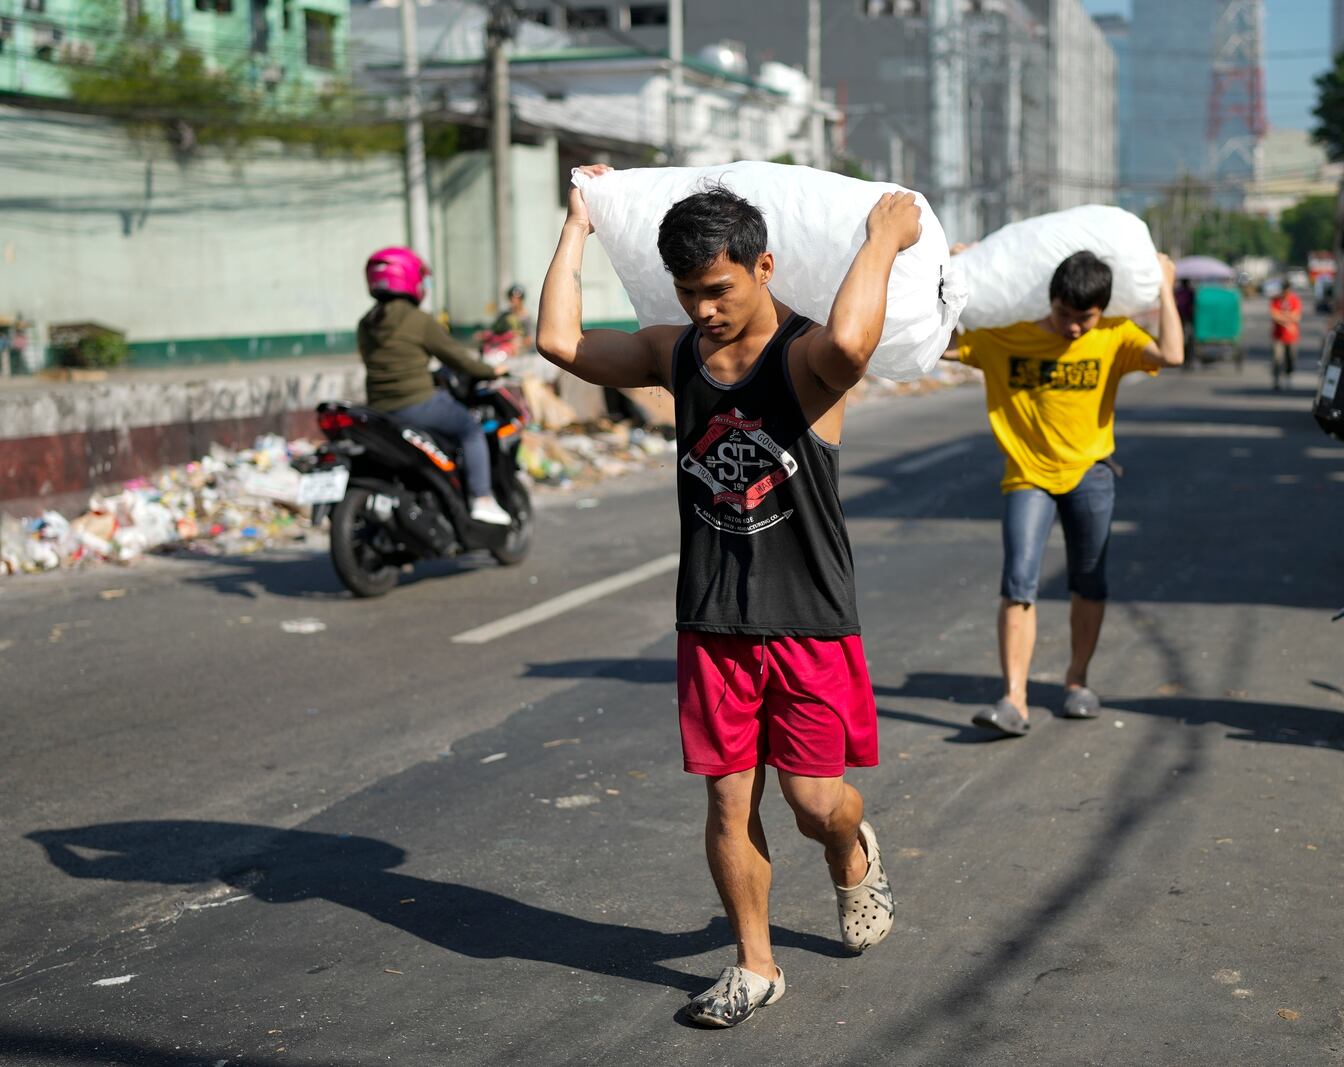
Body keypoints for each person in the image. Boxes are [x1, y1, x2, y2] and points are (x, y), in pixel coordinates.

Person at [536, 167, 918, 1028]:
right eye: (687, 291)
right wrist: (578, 226)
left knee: (816, 801)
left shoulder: (806, 359)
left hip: (809, 618)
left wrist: (884, 241)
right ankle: (755, 964)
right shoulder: (677, 355)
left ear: (764, 267)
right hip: (712, 619)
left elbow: (857, 347)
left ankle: (853, 849)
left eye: (718, 288)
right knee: (725, 798)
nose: (704, 308)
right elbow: (560, 343)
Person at [954, 250, 1183, 736]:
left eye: (1085, 318)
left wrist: (1164, 284)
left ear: (1101, 311)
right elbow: (941, 343)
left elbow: (1174, 354)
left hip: (1090, 473)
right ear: (1050, 300)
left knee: (1089, 580)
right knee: (1018, 580)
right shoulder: (1007, 337)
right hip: (1028, 475)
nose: (1075, 328)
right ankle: (1014, 698)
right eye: (1064, 315)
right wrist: (954, 275)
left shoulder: (1115, 336)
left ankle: (1077, 682)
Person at [358, 246, 513, 525]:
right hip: (416, 405)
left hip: (378, 410)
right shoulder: (418, 320)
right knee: (470, 429)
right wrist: (491, 370)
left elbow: (386, 363)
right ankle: (482, 498)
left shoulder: (366, 323)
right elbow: (457, 359)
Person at [1269, 280, 1303, 391]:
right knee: (1277, 357)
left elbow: (1297, 316)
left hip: (1291, 336)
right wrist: (1288, 320)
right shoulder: (1275, 300)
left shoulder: (1294, 300)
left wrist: (1283, 316)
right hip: (1278, 335)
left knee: (1290, 357)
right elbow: (1274, 315)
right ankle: (1276, 379)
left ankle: (1289, 376)